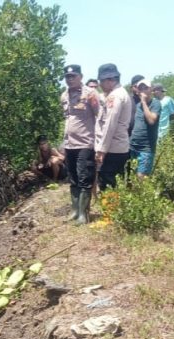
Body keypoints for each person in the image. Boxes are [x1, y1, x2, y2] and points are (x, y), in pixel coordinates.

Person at [60, 64, 100, 224]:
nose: (70, 79)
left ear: (81, 76)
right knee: (73, 178)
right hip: (69, 144)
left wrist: (98, 143)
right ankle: (75, 210)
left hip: (85, 143)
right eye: (67, 77)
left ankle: (84, 214)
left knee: (85, 177)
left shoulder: (90, 94)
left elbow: (99, 116)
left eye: (73, 76)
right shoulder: (64, 96)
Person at [94, 63, 132, 190]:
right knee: (117, 184)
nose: (100, 84)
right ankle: (115, 209)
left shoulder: (115, 96)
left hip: (112, 148)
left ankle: (110, 210)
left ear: (110, 80)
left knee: (108, 185)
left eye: (101, 81)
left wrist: (102, 150)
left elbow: (110, 124)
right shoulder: (122, 93)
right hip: (118, 147)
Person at [129, 79, 161, 178]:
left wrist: (143, 102)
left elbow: (151, 120)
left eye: (145, 88)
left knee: (141, 177)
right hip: (133, 146)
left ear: (151, 89)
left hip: (146, 148)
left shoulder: (155, 103)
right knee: (130, 177)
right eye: (140, 88)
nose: (143, 90)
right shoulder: (137, 106)